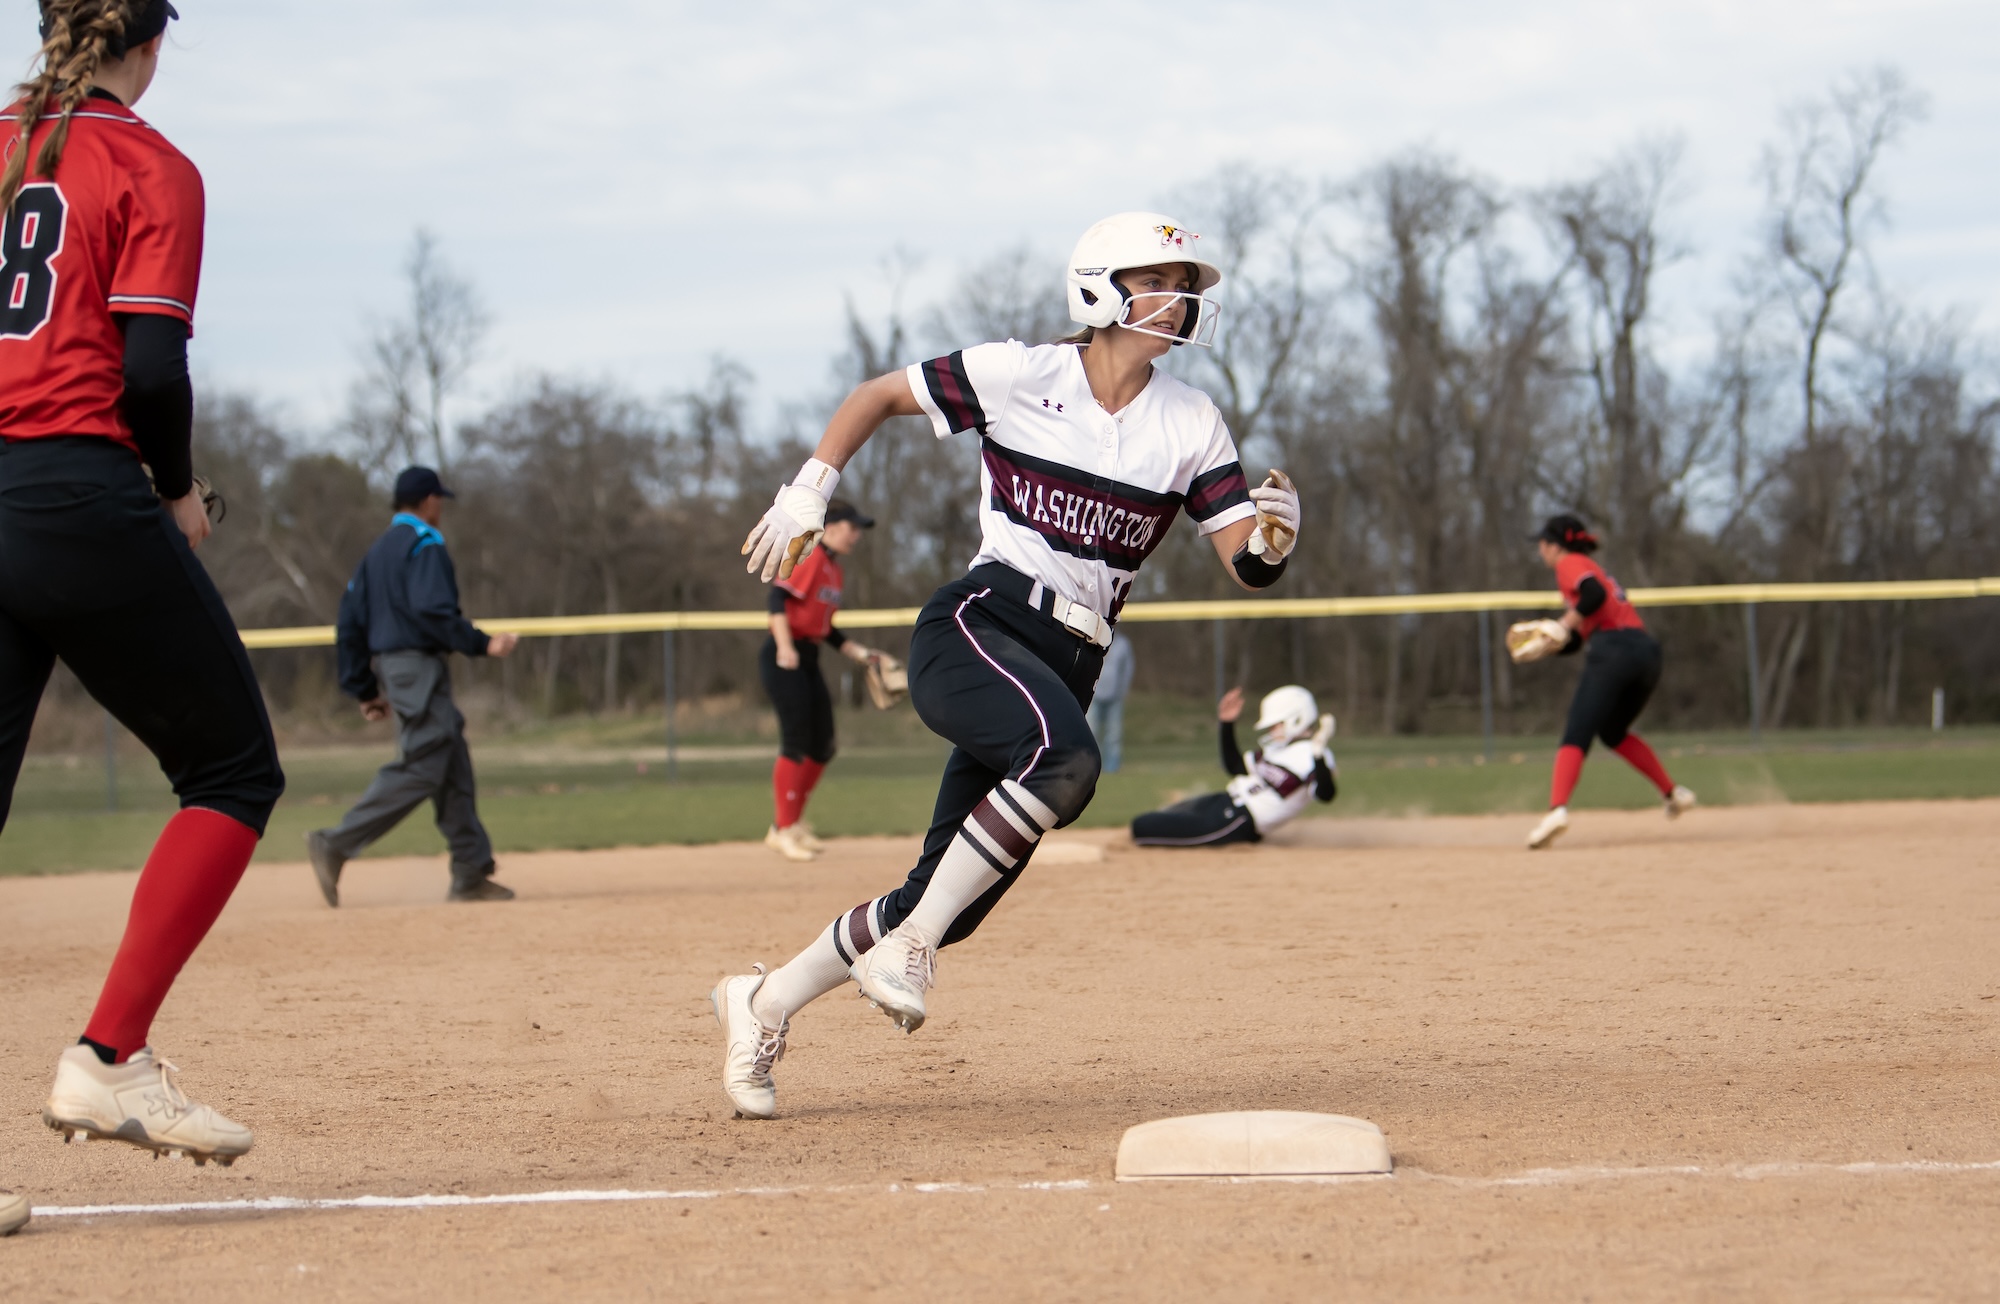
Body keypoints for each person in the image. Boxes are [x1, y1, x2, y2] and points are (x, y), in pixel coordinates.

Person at [710, 210, 1303, 1119]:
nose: (1181, 301)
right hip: (983, 624)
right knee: (1066, 766)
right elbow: (874, 395)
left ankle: (762, 1002)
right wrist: (807, 491)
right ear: (1101, 288)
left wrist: (1275, 536)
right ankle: (908, 951)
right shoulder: (1023, 371)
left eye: (1188, 289)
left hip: (1072, 662)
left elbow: (1248, 563)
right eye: (1163, 281)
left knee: (944, 895)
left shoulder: (1192, 421)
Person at [2, 0, 285, 1166]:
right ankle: (108, 1058)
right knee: (230, 768)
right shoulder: (148, 162)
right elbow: (151, 365)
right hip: (75, 486)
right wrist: (173, 486)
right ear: (149, 42)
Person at [306, 467, 520, 904]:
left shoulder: (376, 554)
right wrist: (482, 644)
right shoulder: (424, 543)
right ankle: (336, 843)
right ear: (427, 501)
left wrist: (364, 687)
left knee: (450, 756)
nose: (441, 507)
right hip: (416, 666)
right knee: (425, 761)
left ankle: (470, 870)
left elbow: (349, 623)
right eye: (439, 499)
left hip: (396, 668)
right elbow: (432, 613)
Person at [1520, 513, 1696, 849]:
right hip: (1645, 653)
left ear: (1554, 546)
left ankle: (1557, 810)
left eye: (1542, 545)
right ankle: (1674, 794)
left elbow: (1595, 595)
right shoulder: (1586, 566)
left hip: (1615, 649)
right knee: (1612, 732)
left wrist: (1563, 622)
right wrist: (1550, 645)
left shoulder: (1570, 563)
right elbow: (1579, 633)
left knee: (1577, 731)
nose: (1541, 551)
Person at [760, 498, 893, 862]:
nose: (857, 536)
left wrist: (861, 653)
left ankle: (792, 823)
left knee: (823, 745)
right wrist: (785, 647)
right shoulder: (811, 556)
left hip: (809, 656)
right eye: (853, 529)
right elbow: (776, 599)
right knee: (796, 739)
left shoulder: (835, 571)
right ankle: (782, 829)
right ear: (831, 528)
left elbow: (825, 627)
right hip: (784, 656)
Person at [1130, 685, 1335, 846]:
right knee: (1162, 814)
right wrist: (1227, 724)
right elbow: (1235, 766)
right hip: (1224, 801)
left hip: (1238, 822)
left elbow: (1326, 794)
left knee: (1142, 828)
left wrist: (1318, 757)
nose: (1272, 730)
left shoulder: (1312, 754)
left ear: (1296, 719)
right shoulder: (1277, 749)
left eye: (1275, 724)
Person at [1085, 630, 1134, 773]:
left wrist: (1122, 691)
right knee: (1091, 732)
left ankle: (1112, 767)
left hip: (1115, 697)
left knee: (1113, 734)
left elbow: (1127, 670)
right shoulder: (1093, 640)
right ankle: (1092, 765)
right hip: (1094, 695)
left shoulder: (1123, 644)